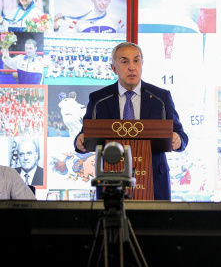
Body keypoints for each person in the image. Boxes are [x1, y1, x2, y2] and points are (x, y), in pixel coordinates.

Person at [74, 42, 189, 200]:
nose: (132, 67)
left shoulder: (160, 98)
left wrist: (177, 140)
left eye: (136, 60)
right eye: (124, 61)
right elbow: (85, 135)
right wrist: (80, 141)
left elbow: (181, 136)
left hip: (154, 181)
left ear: (142, 64)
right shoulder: (99, 99)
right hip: (111, 180)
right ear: (113, 68)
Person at [54, 0, 125, 33]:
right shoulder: (80, 21)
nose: (103, 3)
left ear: (110, 0)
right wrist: (56, 27)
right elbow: (66, 37)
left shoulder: (116, 20)